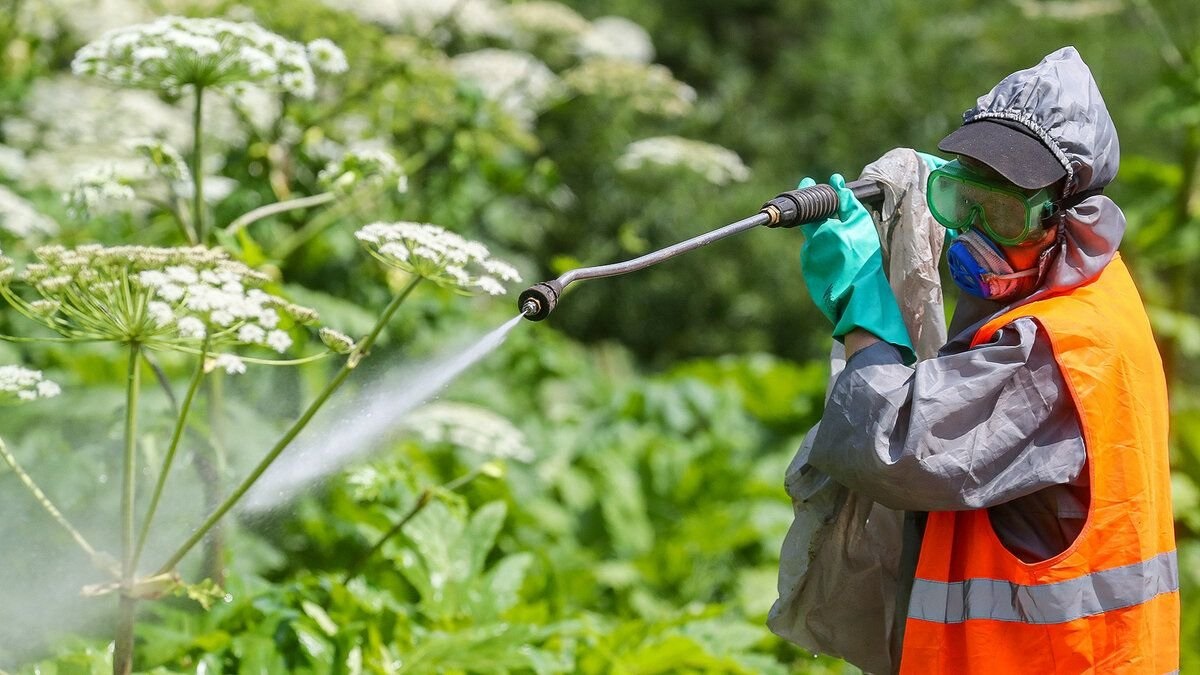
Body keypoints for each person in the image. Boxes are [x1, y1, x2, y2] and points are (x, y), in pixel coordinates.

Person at [795, 46, 1178, 674]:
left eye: (1002, 212)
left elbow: (893, 446)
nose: (974, 233)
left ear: (1070, 217)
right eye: (957, 199)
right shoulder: (1094, 284)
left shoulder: (1058, 349)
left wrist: (863, 308)